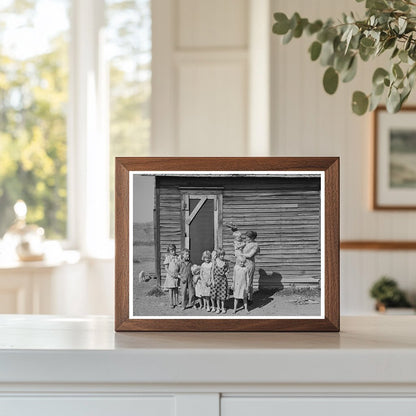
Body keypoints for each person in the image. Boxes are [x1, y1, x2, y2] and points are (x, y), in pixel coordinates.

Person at [242, 230, 260, 302]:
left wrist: (240, 255)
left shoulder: (255, 245)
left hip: (249, 264)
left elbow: (250, 255)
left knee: (249, 281)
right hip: (242, 263)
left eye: (248, 237)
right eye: (246, 237)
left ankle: (250, 298)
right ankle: (243, 296)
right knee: (242, 280)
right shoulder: (246, 243)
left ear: (252, 238)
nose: (246, 238)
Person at [210, 248, 229, 314]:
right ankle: (218, 307)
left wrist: (227, 272)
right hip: (216, 279)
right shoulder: (215, 262)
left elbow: (227, 270)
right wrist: (212, 280)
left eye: (223, 255)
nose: (222, 256)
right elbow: (212, 271)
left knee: (223, 294)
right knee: (217, 295)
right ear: (218, 255)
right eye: (221, 255)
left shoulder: (225, 262)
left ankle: (223, 307)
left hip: (223, 280)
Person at [163, 244, 180, 308]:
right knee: (171, 289)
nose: (173, 252)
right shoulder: (168, 258)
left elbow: (179, 265)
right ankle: (171, 302)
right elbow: (166, 268)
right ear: (169, 251)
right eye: (171, 251)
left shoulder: (178, 257)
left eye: (174, 250)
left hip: (176, 275)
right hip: (170, 276)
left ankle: (177, 302)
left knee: (176, 289)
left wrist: (178, 273)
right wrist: (171, 274)